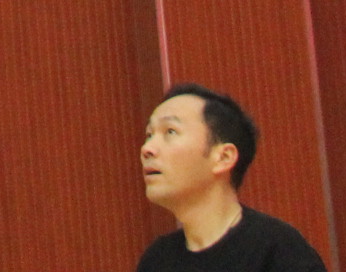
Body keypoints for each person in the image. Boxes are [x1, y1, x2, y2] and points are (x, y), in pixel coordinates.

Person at [138, 85, 327, 270]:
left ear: (223, 157)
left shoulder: (280, 251)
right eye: (149, 134)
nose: (147, 148)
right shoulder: (157, 261)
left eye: (170, 131)